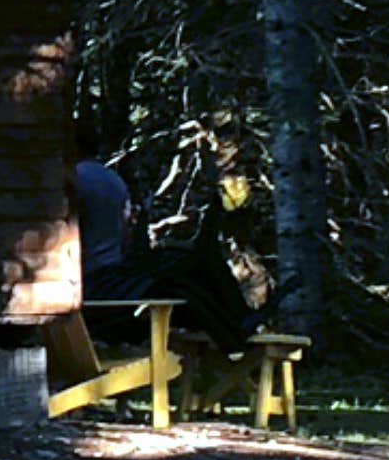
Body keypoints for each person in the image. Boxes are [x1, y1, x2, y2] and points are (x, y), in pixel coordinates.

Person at [72, 145, 260, 352]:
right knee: (184, 278)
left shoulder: (73, 181)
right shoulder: (106, 180)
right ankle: (236, 326)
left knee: (187, 270)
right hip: (103, 294)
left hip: (106, 287)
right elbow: (127, 233)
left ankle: (236, 326)